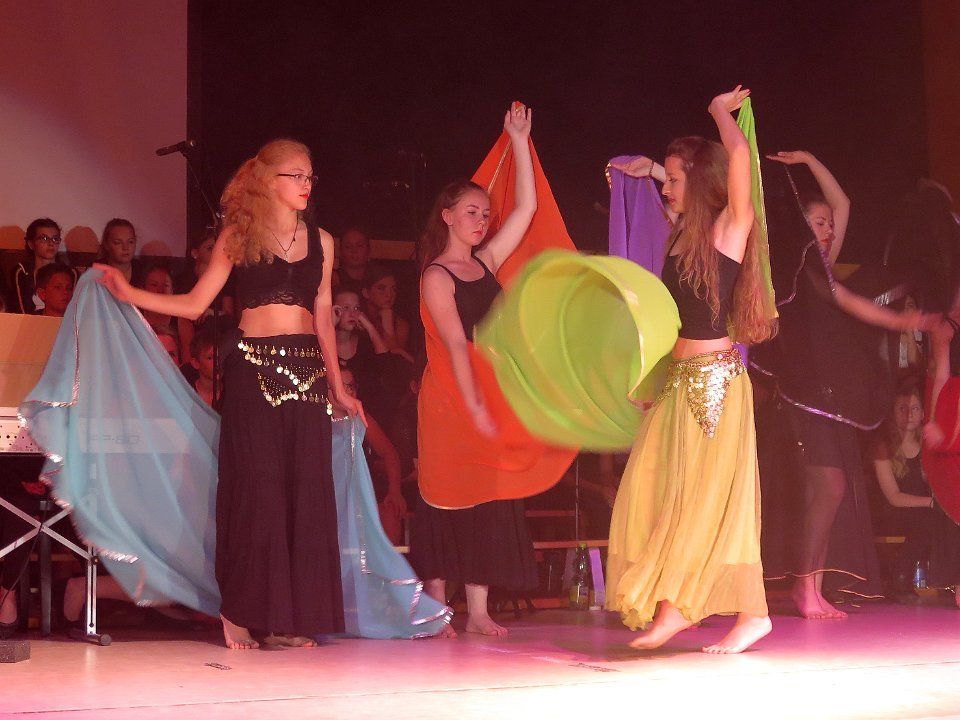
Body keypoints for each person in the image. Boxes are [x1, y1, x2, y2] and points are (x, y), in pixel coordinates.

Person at [96, 138, 360, 650]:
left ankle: (285, 619)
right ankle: (238, 613)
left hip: (307, 376)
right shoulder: (239, 236)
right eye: (296, 175)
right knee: (257, 490)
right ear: (267, 180)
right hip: (253, 372)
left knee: (303, 491)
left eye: (310, 176)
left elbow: (324, 315)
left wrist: (337, 385)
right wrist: (130, 294)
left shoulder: (322, 241)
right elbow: (196, 304)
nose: (306, 184)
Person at [605, 86, 776, 654]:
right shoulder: (685, 236)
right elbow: (675, 322)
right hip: (680, 383)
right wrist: (655, 170)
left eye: (674, 179)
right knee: (658, 490)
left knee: (701, 499)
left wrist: (718, 112)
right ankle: (744, 612)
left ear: (698, 181)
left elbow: (738, 159)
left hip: (715, 385)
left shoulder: (730, 230)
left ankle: (681, 609)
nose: (666, 188)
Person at [751, 152, 936, 620]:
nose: (829, 230)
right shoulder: (796, 267)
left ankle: (811, 587)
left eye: (830, 226)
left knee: (830, 488)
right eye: (819, 223)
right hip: (805, 393)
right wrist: (901, 320)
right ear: (801, 227)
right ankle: (804, 586)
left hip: (829, 395)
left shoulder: (822, 265)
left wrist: (810, 160)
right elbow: (848, 301)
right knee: (828, 485)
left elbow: (844, 205)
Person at [410, 103, 541, 638]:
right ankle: (438, 608)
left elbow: (527, 208)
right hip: (449, 399)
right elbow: (456, 346)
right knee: (446, 496)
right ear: (446, 216)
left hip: (484, 394)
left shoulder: (484, 263)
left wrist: (519, 141)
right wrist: (475, 406)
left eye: (485, 213)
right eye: (471, 211)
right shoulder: (436, 276)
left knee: (486, 496)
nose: (482, 220)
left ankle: (479, 611)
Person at [10, 218, 73, 314]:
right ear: (31, 244)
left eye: (55, 239)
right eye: (44, 238)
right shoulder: (21, 271)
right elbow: (20, 310)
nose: (51, 244)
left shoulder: (70, 273)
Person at [362, 264, 413, 358]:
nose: (389, 295)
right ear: (366, 293)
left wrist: (387, 321)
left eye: (394, 289)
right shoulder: (357, 318)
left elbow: (394, 360)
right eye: (381, 288)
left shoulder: (400, 324)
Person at [97, 218, 139, 284]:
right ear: (106, 244)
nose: (125, 248)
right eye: (118, 243)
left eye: (130, 242)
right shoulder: (95, 270)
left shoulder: (143, 271)